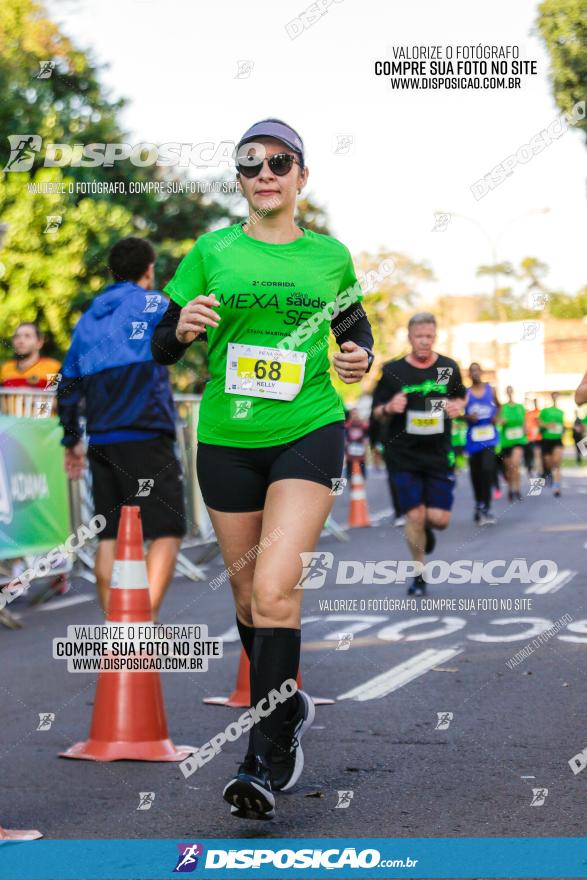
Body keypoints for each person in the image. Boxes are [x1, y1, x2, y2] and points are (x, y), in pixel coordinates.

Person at [151, 118, 374, 821]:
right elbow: (162, 340)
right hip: (224, 435)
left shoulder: (329, 258)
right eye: (251, 164)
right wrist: (180, 328)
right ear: (241, 180)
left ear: (301, 176)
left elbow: (355, 332)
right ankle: (288, 708)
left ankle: (265, 753)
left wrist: (356, 359)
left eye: (279, 161)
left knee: (277, 591)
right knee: (249, 600)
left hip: (307, 428)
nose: (265, 172)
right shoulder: (210, 252)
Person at [57, 237, 187, 618]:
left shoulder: (90, 316)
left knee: (109, 535)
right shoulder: (154, 304)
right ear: (149, 270)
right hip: (146, 433)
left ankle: (115, 628)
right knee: (167, 530)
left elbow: (67, 383)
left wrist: (71, 439)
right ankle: (138, 627)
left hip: (102, 439)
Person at [371, 313, 466, 597]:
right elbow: (375, 412)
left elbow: (461, 396)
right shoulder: (392, 371)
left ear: (435, 337)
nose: (424, 341)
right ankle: (419, 573)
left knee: (438, 519)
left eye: (429, 337)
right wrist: (389, 407)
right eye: (418, 336)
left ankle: (426, 529)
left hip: (438, 453)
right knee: (414, 515)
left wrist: (458, 406)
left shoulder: (448, 367)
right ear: (410, 337)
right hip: (403, 455)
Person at [463, 363, 499, 524]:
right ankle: (479, 503)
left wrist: (496, 416)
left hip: (489, 438)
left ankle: (487, 506)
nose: (476, 373)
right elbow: (456, 413)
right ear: (469, 375)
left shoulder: (491, 390)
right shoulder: (465, 393)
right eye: (472, 371)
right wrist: (467, 417)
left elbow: (499, 406)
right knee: (476, 473)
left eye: (478, 370)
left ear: (482, 372)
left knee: (487, 469)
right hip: (473, 439)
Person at [1, 322, 61, 395]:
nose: (21, 341)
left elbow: (55, 401)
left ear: (40, 342)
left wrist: (31, 402)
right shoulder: (4, 368)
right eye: (17, 336)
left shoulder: (53, 368)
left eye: (27, 336)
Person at [499, 386, 528, 502]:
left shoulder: (520, 407)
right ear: (506, 393)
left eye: (511, 391)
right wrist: (502, 421)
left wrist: (525, 429)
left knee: (515, 464)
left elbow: (524, 422)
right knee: (509, 468)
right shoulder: (502, 408)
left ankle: (517, 489)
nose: (510, 393)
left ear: (513, 392)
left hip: (519, 441)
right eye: (508, 391)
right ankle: (510, 489)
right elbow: (498, 421)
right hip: (506, 442)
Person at [538, 392, 565, 497]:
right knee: (549, 463)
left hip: (557, 440)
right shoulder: (544, 411)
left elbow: (561, 426)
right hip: (546, 440)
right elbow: (539, 423)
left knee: (557, 462)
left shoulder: (561, 412)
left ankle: (557, 486)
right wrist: (547, 425)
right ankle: (550, 475)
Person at [344, 407, 369, 480]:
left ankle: (363, 475)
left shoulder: (363, 424)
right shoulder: (347, 424)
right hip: (350, 445)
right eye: (353, 414)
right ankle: (349, 476)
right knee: (349, 460)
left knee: (362, 460)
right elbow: (345, 433)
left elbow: (366, 433)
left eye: (356, 413)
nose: (355, 415)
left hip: (360, 445)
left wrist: (366, 441)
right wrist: (345, 442)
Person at [524, 398, 541, 477]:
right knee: (529, 455)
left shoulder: (539, 412)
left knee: (537, 454)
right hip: (528, 438)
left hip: (537, 438)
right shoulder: (527, 413)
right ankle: (529, 468)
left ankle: (539, 471)